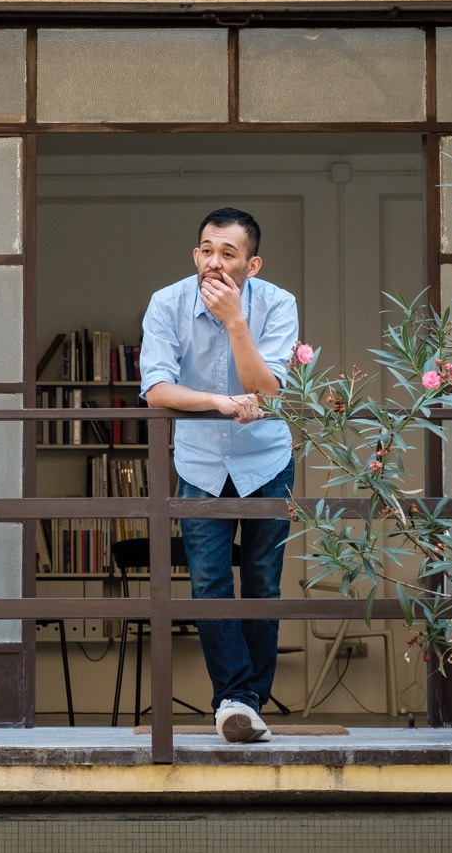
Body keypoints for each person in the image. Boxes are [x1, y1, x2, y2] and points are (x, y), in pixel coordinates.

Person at [138, 207, 299, 743]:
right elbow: (156, 388)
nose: (214, 263)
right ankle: (236, 699)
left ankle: (246, 702)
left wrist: (235, 320)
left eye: (228, 254)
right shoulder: (167, 303)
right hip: (200, 463)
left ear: (252, 264)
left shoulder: (277, 304)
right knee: (208, 583)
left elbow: (269, 387)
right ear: (194, 255)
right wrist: (217, 401)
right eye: (206, 250)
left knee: (260, 582)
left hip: (266, 462)